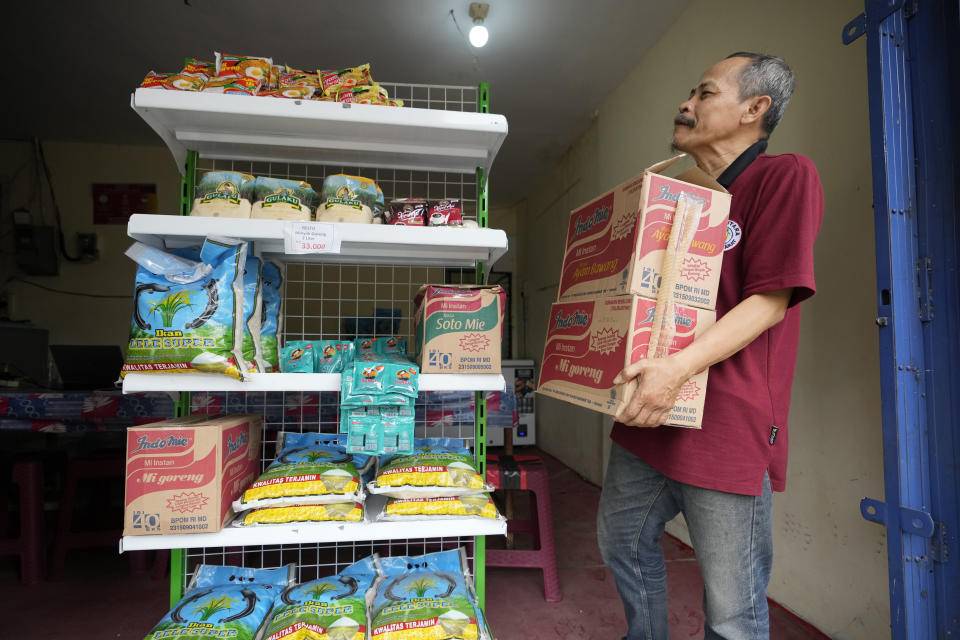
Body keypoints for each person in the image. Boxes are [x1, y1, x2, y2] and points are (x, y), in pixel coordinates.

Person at [597, 52, 823, 640]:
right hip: (651, 411)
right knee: (621, 541)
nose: (685, 104)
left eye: (703, 93)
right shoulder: (678, 195)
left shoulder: (784, 176)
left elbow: (771, 300)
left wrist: (675, 369)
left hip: (725, 422)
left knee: (732, 610)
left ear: (755, 109)